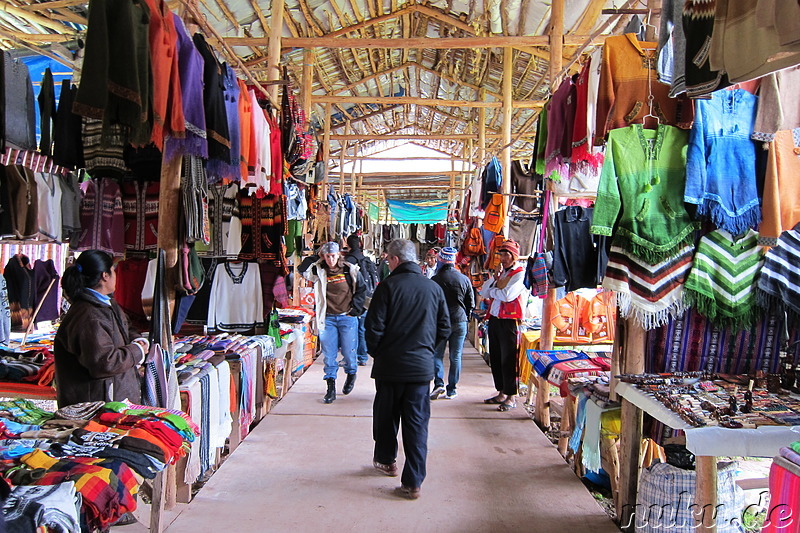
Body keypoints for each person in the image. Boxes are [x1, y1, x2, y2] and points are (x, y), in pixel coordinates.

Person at [365, 239, 450, 500]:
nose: (386, 263)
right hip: (420, 371)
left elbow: (373, 328)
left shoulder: (387, 287)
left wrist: (379, 353)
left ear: (395, 260)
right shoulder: (433, 289)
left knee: (385, 417)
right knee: (416, 424)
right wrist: (425, 351)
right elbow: (445, 328)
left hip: (390, 368)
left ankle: (387, 461)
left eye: (387, 259)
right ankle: (413, 483)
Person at [53, 250, 150, 408]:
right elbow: (104, 363)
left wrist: (137, 340)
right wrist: (137, 350)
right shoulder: (89, 315)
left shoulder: (106, 304)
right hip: (94, 406)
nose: (115, 275)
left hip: (108, 399)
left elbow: (126, 327)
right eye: (113, 270)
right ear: (105, 275)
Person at [300, 242, 367, 404]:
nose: (330, 260)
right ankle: (330, 387)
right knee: (329, 355)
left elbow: (361, 290)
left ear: (339, 255)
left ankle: (351, 373)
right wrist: (317, 256)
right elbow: (302, 270)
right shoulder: (319, 271)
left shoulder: (349, 270)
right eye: (327, 256)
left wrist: (355, 311)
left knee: (349, 353)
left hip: (347, 317)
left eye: (333, 256)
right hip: (328, 318)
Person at [480, 240, 527, 412]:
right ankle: (501, 391)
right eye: (501, 254)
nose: (503, 258)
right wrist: (495, 281)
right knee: (497, 357)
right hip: (495, 319)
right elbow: (484, 292)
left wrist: (495, 290)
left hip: (510, 321)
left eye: (507, 254)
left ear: (514, 256)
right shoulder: (501, 274)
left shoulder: (519, 274)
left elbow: (507, 295)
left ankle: (511, 396)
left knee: (509, 358)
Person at [430, 247, 474, 400]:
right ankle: (452, 389)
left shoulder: (435, 280)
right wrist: (466, 317)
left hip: (440, 322)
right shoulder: (464, 279)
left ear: (440, 260)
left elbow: (430, 303)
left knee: (437, 354)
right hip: (459, 321)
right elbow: (471, 303)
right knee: (456, 356)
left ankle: (438, 383)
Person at [344, 234, 378, 367]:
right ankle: (362, 356)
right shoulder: (366, 259)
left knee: (351, 328)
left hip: (354, 298)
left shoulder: (349, 260)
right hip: (367, 298)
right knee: (362, 328)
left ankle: (352, 357)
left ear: (348, 244)